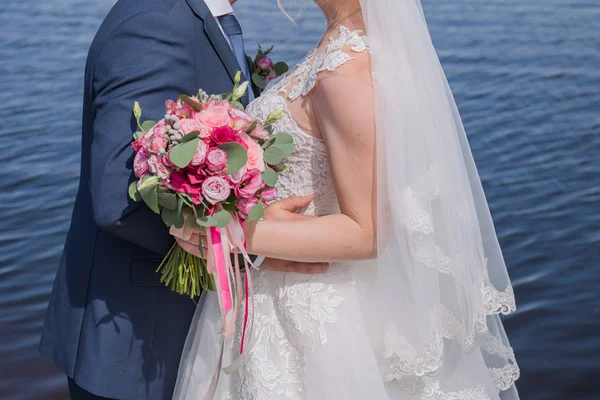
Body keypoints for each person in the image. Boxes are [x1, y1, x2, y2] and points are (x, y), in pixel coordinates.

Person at [173, 0, 521, 399]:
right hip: (285, 295)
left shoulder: (345, 69)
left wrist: (231, 236)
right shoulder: (343, 46)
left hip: (317, 316)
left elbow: (366, 232)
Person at [39, 0, 325, 399]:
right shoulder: (154, 26)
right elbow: (119, 200)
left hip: (176, 333)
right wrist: (250, 247)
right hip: (138, 343)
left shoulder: (199, 20)